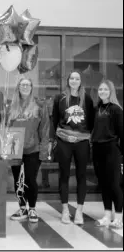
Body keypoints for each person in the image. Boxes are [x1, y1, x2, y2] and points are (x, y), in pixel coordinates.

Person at [51, 70, 95, 225]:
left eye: (77, 78)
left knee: (81, 176)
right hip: (64, 141)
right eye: (72, 78)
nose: (74, 81)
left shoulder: (87, 99)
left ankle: (79, 211)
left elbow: (91, 121)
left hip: (82, 142)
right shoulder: (60, 98)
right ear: (68, 80)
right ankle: (64, 210)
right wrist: (59, 137)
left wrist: (81, 135)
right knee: (64, 175)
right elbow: (55, 120)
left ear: (80, 81)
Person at [8, 77, 50, 223]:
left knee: (30, 180)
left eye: (28, 84)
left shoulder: (39, 105)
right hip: (14, 147)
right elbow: (5, 128)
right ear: (18, 87)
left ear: (32, 87)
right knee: (17, 180)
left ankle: (32, 208)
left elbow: (45, 128)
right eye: (22, 84)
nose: (25, 87)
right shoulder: (11, 105)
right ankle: (22, 208)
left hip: (33, 148)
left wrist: (44, 150)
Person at [91, 80, 123, 229]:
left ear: (111, 91)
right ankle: (107, 215)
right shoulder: (96, 108)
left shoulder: (116, 109)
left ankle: (118, 217)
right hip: (97, 149)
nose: (102, 91)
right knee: (103, 185)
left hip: (112, 150)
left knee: (114, 184)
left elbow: (121, 133)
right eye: (100, 89)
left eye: (105, 89)